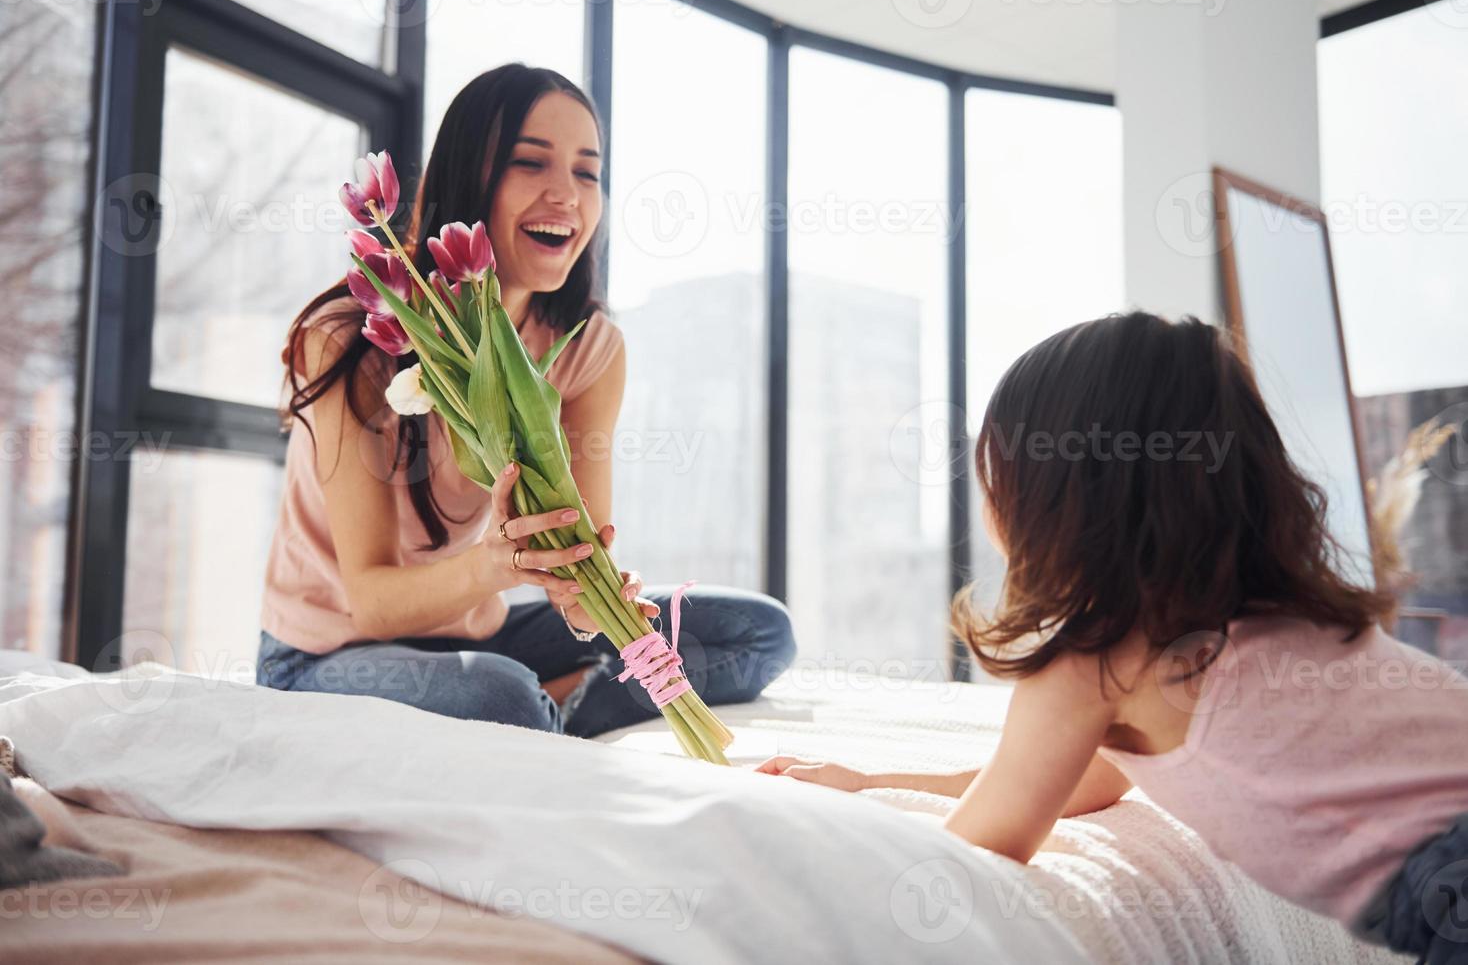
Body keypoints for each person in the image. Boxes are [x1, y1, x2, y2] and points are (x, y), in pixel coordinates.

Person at [759, 312, 1468, 963]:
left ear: (1050, 500)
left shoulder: (1096, 662)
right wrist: (873, 779)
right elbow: (1075, 780)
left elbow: (986, 838)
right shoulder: (1265, 618)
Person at [257, 64, 795, 738]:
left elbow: (573, 560)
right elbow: (371, 604)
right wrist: (494, 563)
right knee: (502, 700)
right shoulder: (353, 337)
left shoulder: (586, 349)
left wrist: (591, 601)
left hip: (481, 630)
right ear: (468, 176)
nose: (566, 195)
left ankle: (562, 704)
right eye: (529, 163)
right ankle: (545, 703)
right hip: (330, 654)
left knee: (759, 633)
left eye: (587, 173)